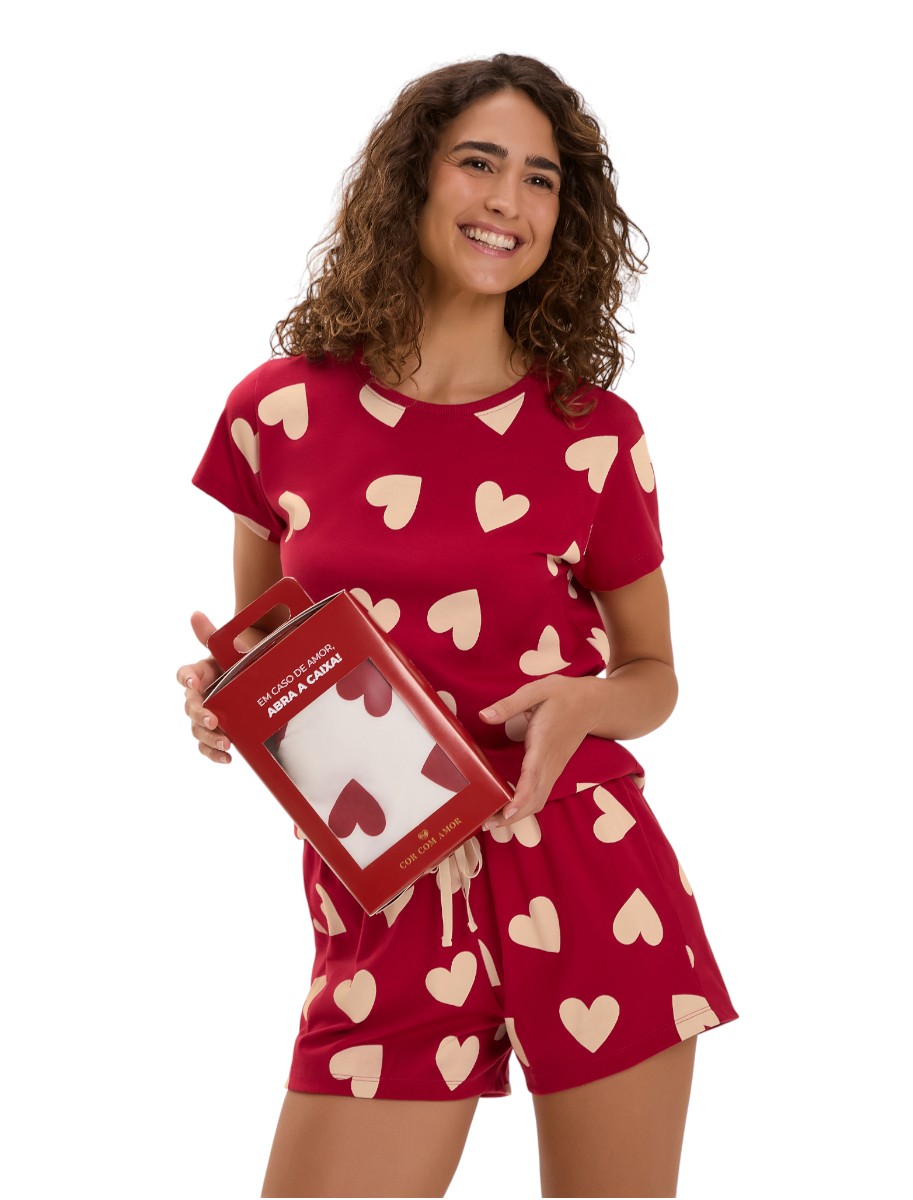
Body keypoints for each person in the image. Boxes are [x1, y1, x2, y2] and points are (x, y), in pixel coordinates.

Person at [178, 53, 739, 1198]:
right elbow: (273, 655)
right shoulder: (275, 413)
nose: (507, 201)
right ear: (413, 179)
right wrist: (226, 706)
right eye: (478, 163)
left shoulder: (593, 434)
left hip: (587, 875)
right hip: (385, 896)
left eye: (540, 180)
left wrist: (584, 702)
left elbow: (654, 674)